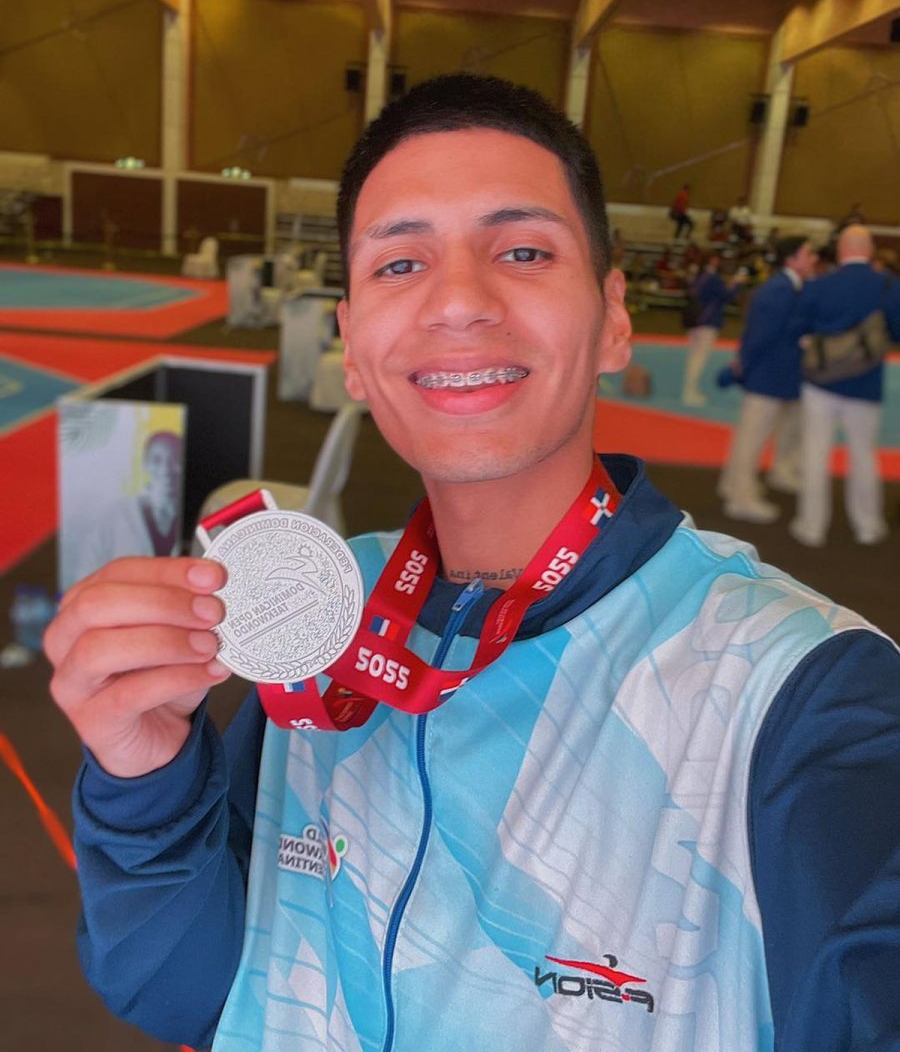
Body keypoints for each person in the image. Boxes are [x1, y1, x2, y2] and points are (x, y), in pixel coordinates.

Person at [45, 75, 900, 1052]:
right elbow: (189, 994)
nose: (457, 300)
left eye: (524, 251)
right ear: (353, 348)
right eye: (400, 263)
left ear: (614, 318)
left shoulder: (804, 691)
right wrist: (146, 779)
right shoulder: (318, 621)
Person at [790, 224, 900, 547]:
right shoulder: (888, 285)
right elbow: (896, 331)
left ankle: (811, 527)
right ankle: (868, 526)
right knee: (863, 455)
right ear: (870, 250)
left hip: (820, 383)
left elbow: (799, 326)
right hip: (865, 385)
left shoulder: (820, 284)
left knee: (815, 452)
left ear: (840, 250)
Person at [718, 236, 818, 522]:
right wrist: (741, 368)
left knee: (752, 436)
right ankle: (740, 498)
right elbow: (758, 337)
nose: (813, 259)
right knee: (751, 439)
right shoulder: (779, 290)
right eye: (808, 253)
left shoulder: (792, 287)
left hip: (779, 377)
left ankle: (732, 485)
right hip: (766, 378)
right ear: (792, 259)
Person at [72, 430, 183, 581]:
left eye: (175, 459)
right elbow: (85, 575)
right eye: (157, 460)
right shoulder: (116, 516)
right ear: (145, 464)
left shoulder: (199, 518)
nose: (166, 470)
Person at [680, 250, 745, 407]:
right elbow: (726, 296)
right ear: (714, 260)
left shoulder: (700, 276)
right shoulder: (713, 278)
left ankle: (689, 390)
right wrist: (738, 283)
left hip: (695, 321)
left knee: (693, 357)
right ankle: (689, 393)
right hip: (707, 323)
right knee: (699, 359)